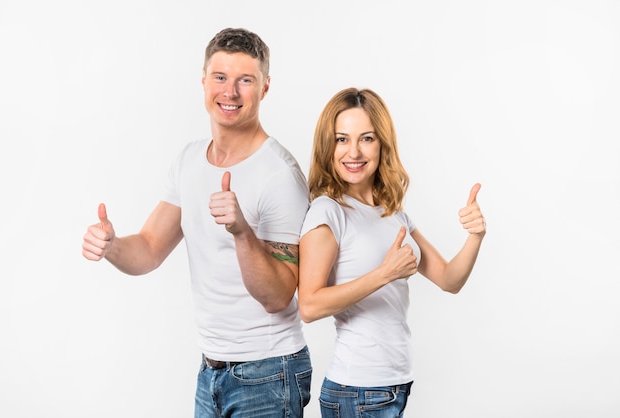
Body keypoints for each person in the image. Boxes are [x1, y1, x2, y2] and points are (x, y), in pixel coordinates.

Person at [82, 28, 312, 417]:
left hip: (269, 372)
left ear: (265, 87)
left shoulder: (280, 175)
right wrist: (112, 246)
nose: (230, 92)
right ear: (203, 80)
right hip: (211, 371)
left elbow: (278, 297)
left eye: (246, 80)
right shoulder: (189, 160)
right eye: (221, 77)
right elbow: (151, 249)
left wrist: (241, 232)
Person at [298, 87, 486, 417]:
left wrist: (475, 236)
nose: (353, 151)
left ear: (382, 143)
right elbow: (310, 305)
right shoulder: (328, 211)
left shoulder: (392, 213)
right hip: (356, 390)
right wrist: (383, 274)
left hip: (394, 384)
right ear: (328, 146)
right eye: (342, 139)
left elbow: (449, 280)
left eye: (366, 138)